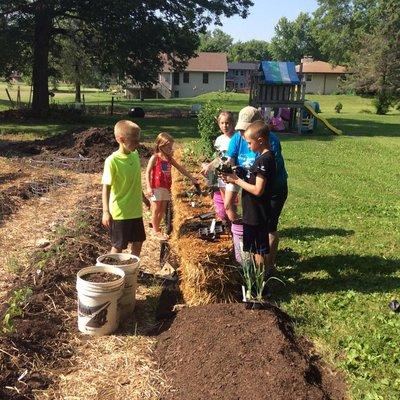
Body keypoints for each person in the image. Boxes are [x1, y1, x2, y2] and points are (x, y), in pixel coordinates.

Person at [225, 106, 288, 271]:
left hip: (272, 191)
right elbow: (232, 158)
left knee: (268, 228)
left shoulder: (270, 145)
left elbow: (265, 178)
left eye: (246, 130)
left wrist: (239, 180)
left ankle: (268, 268)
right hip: (254, 191)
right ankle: (258, 270)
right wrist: (235, 171)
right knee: (256, 237)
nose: (241, 134)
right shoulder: (240, 137)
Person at [221, 121, 276, 266]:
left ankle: (260, 282)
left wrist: (236, 181)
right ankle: (254, 276)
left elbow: (258, 190)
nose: (248, 146)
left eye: (249, 143)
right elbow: (253, 180)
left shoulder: (265, 160)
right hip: (251, 213)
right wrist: (239, 173)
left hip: (258, 214)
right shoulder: (261, 158)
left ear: (260, 140)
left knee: (258, 250)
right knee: (253, 248)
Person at [101, 120, 150, 257]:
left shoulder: (134, 155)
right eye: (134, 140)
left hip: (135, 211)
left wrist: (144, 198)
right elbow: (106, 188)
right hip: (120, 213)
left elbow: (134, 182)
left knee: (138, 241)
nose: (138, 143)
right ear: (121, 139)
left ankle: (132, 270)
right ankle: (114, 272)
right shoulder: (112, 161)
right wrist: (105, 211)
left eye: (138, 140)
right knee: (118, 246)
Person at [146, 132, 198, 240]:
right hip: (156, 186)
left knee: (162, 209)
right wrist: (148, 187)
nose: (171, 148)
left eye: (171, 146)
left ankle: (157, 227)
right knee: (156, 209)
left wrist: (191, 178)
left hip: (166, 186)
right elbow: (147, 172)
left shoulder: (169, 159)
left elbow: (180, 168)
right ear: (161, 146)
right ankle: (156, 231)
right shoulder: (155, 157)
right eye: (168, 146)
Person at [201, 110, 235, 220]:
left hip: (232, 174)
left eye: (228, 123)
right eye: (222, 123)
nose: (225, 126)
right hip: (221, 175)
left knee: (230, 204)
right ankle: (228, 223)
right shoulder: (219, 139)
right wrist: (209, 167)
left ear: (233, 123)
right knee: (225, 201)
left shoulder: (236, 139)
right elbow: (218, 158)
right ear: (218, 124)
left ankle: (236, 227)